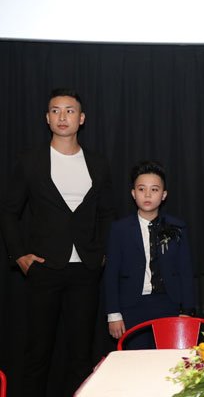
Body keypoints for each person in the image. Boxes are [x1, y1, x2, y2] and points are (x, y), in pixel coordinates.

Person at [0, 88, 114, 396]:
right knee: (37, 353)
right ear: (47, 118)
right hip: (44, 268)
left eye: (69, 110)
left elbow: (107, 213)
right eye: (55, 110)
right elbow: (9, 211)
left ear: (82, 118)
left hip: (86, 271)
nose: (63, 116)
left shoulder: (98, 163)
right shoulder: (30, 162)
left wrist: (102, 253)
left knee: (81, 355)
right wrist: (19, 255)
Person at [104, 161, 195, 349]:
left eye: (154, 190)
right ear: (133, 193)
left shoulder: (177, 227)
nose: (147, 195)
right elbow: (111, 273)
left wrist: (187, 310)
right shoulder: (120, 229)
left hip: (168, 304)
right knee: (136, 359)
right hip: (131, 306)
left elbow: (185, 271)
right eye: (141, 189)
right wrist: (113, 314)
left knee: (168, 359)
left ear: (164, 195)